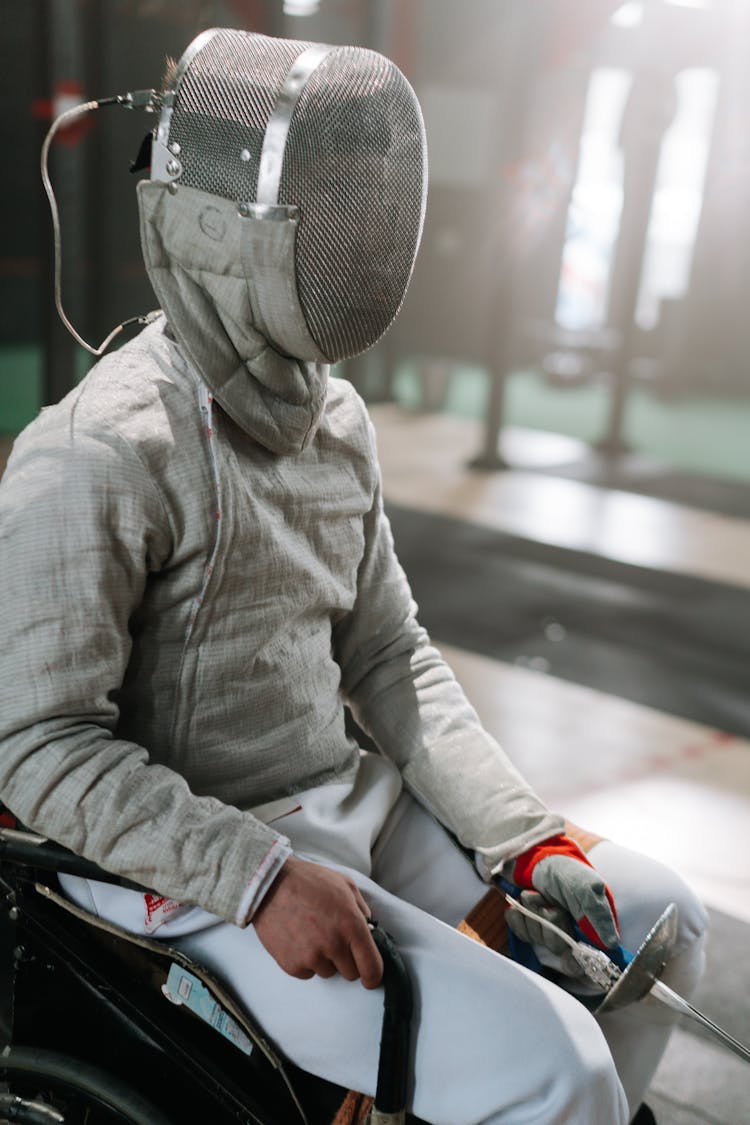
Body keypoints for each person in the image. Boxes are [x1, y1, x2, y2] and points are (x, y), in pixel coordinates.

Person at [0, 27, 706, 1125]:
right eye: (322, 208)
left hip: (348, 803)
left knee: (657, 923)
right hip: (186, 874)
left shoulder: (333, 417)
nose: (359, 235)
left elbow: (387, 654)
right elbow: (37, 746)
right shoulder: (97, 450)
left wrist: (526, 835)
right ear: (218, 225)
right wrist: (258, 879)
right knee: (558, 1065)